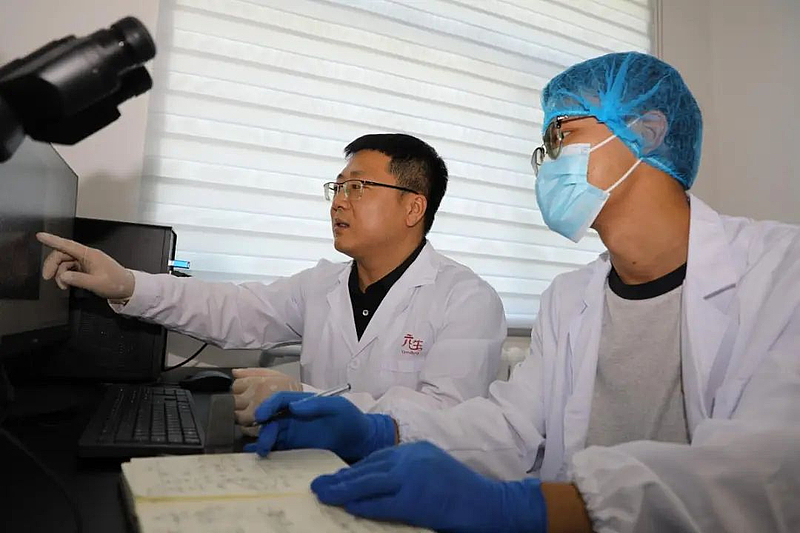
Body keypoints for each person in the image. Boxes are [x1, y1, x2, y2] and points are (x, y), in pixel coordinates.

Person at [246, 52, 800, 532]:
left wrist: (521, 509)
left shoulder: (781, 273)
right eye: (544, 146)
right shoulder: (570, 297)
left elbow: (766, 474)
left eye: (561, 135)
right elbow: (512, 428)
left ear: (647, 131)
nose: (547, 161)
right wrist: (378, 430)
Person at [37, 133, 506, 434]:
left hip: (408, 490)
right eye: (337, 187)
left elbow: (445, 419)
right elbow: (232, 308)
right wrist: (125, 283)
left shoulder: (467, 300)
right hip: (313, 468)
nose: (338, 202)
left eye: (358, 187)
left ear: (413, 207)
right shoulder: (322, 284)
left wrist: (303, 400)